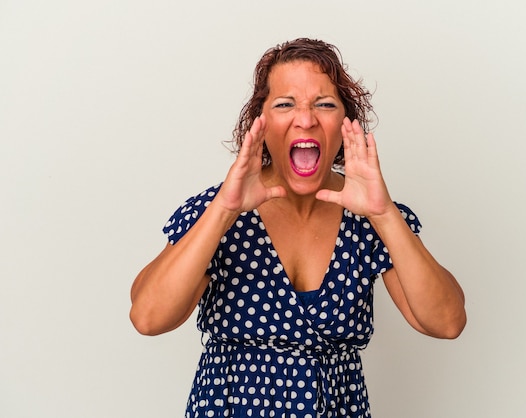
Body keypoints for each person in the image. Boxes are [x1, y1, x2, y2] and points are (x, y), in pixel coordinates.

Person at [130, 38, 466, 418]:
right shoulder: (219, 209)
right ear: (261, 122)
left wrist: (384, 213)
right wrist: (224, 210)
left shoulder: (373, 218)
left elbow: (447, 322)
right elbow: (148, 318)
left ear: (344, 123)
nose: (305, 119)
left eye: (324, 104)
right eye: (285, 104)